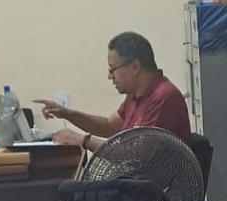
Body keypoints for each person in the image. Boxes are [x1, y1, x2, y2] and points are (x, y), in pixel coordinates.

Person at [34, 31, 191, 151]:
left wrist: (83, 140)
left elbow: (136, 157)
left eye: (113, 69)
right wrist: (66, 113)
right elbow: (108, 126)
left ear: (135, 67)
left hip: (157, 184)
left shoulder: (163, 97)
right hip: (137, 180)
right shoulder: (135, 94)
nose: (110, 77)